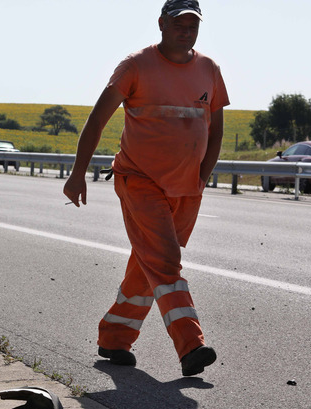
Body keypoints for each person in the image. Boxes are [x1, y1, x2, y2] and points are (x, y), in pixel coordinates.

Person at [62, 0, 228, 377]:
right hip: (139, 180)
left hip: (187, 187)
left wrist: (202, 176)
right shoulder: (136, 65)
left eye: (193, 25)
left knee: (146, 265)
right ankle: (191, 346)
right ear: (162, 24)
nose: (187, 31)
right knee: (166, 262)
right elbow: (97, 119)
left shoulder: (209, 69)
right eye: (179, 24)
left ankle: (115, 337)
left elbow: (214, 129)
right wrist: (77, 174)